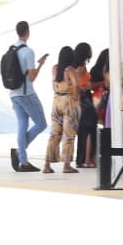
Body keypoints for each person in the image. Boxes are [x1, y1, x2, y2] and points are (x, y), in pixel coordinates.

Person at [8, 21, 49, 173]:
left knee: (21, 125)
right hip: (27, 93)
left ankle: (23, 160)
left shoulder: (11, 49)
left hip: (14, 93)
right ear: (27, 32)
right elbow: (31, 77)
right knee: (41, 124)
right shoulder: (28, 51)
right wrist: (40, 65)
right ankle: (20, 153)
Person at [44, 45, 80, 174]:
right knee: (69, 135)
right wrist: (76, 96)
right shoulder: (70, 69)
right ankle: (66, 165)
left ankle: (47, 165)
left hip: (56, 101)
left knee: (54, 134)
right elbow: (76, 84)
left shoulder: (55, 68)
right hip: (68, 102)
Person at [74, 43, 101, 169]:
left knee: (84, 130)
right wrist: (89, 86)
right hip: (85, 100)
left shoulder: (75, 67)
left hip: (83, 99)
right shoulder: (81, 68)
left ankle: (83, 159)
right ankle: (87, 159)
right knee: (89, 129)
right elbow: (80, 85)